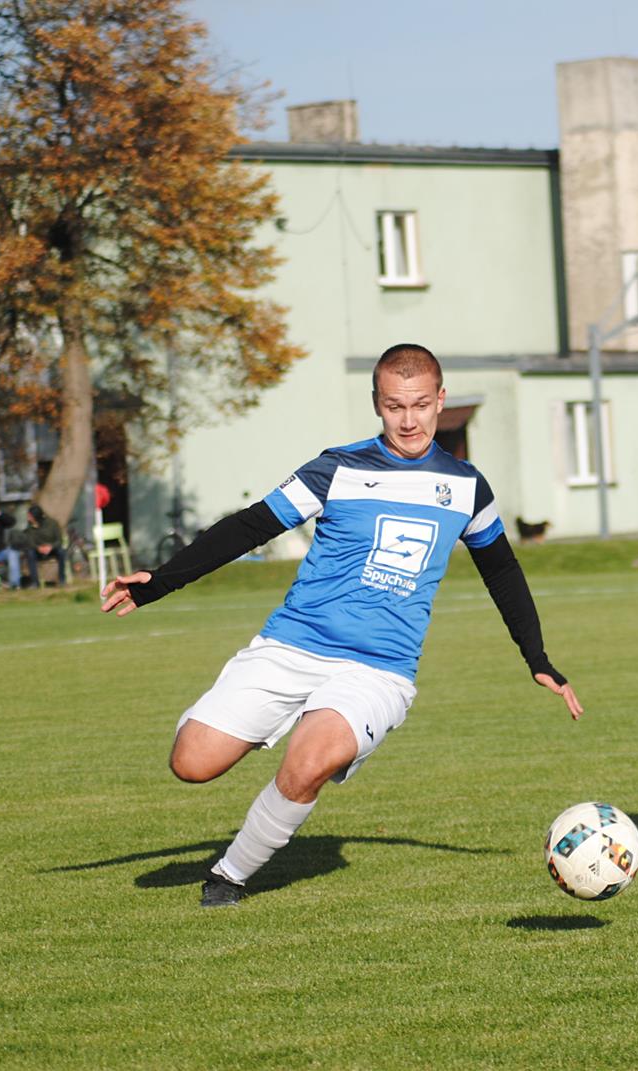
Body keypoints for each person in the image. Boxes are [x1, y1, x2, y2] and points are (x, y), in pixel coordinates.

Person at [100, 343, 583, 908]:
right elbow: (252, 526)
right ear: (376, 403)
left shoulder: (466, 486)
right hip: (291, 646)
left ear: (441, 401)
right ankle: (266, 721)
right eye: (395, 406)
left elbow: (501, 568)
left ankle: (229, 876)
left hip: (379, 670)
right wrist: (160, 582)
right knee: (192, 762)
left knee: (309, 761)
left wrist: (537, 658)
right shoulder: (339, 467)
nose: (409, 420)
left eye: (421, 405)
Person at [17, 504, 67, 587]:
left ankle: (62, 579)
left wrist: (50, 547)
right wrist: (38, 548)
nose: (28, 518)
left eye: (30, 516)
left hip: (52, 550)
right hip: (38, 551)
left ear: (36, 516)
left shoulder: (52, 524)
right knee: (30, 553)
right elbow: (29, 542)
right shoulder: (29, 527)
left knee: (61, 552)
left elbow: (59, 540)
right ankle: (35, 582)